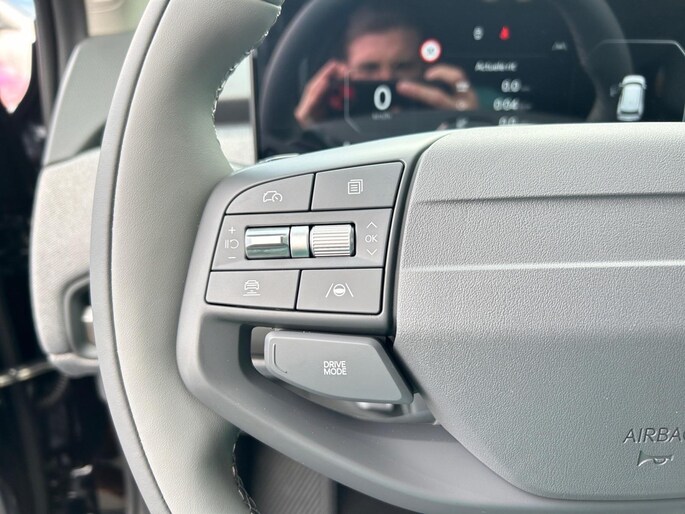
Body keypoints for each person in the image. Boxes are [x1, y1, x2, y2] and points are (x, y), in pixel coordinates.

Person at [294, 2, 478, 128]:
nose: (386, 79)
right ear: (342, 72)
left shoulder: (455, 108)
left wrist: (468, 126)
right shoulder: (328, 121)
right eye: (369, 68)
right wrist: (305, 128)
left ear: (426, 70)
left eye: (402, 66)